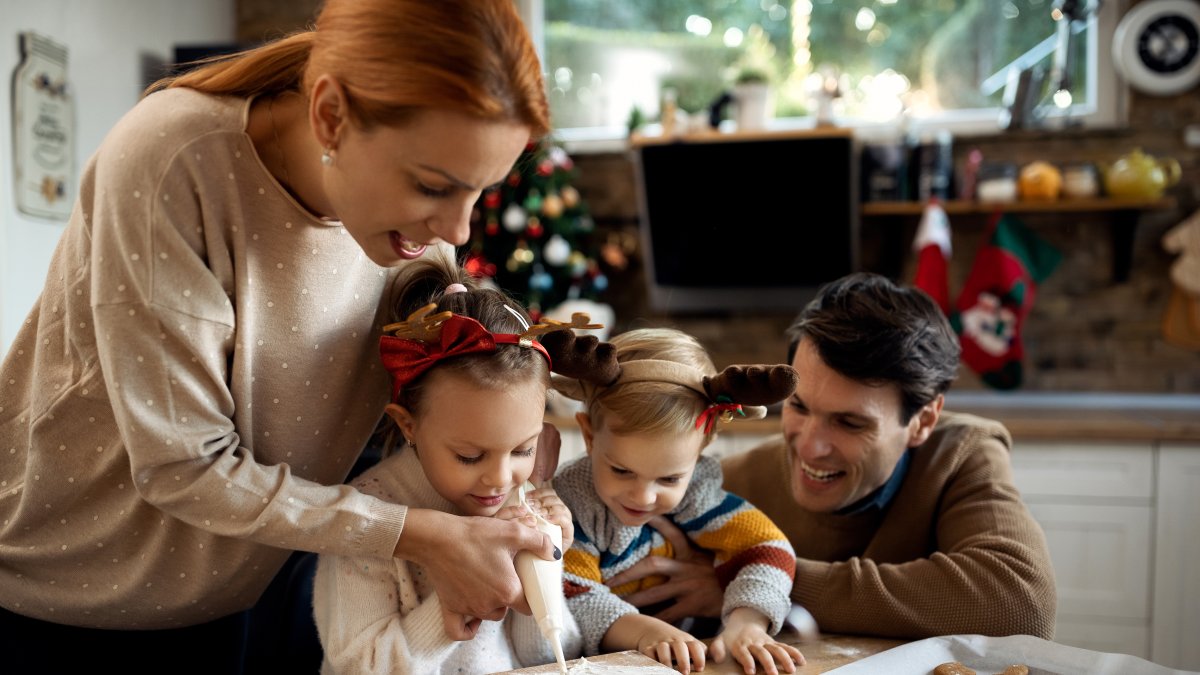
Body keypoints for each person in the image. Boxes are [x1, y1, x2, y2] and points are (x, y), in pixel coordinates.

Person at [0, 1, 558, 672]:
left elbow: (465, 383)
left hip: (249, 588)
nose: (458, 232)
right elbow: (184, 466)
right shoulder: (174, 160)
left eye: (480, 194)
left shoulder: (410, 236)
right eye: (433, 186)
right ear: (329, 115)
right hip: (68, 602)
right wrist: (424, 536)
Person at [605, 273, 1058, 641]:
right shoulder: (721, 485)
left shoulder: (961, 453)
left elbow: (1020, 602)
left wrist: (753, 574)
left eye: (850, 423)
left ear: (923, 420)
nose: (809, 445)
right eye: (799, 408)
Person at [312, 251, 586, 674]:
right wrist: (455, 598)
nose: (500, 478)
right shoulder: (365, 520)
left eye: (522, 450)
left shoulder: (522, 501)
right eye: (469, 456)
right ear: (409, 426)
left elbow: (553, 656)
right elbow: (358, 668)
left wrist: (542, 572)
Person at [551, 327, 807, 675]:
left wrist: (746, 623)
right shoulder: (572, 506)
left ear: (701, 450)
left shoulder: (700, 494)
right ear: (589, 436)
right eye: (622, 471)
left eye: (669, 478)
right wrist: (645, 632)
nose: (644, 496)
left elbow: (767, 548)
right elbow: (571, 591)